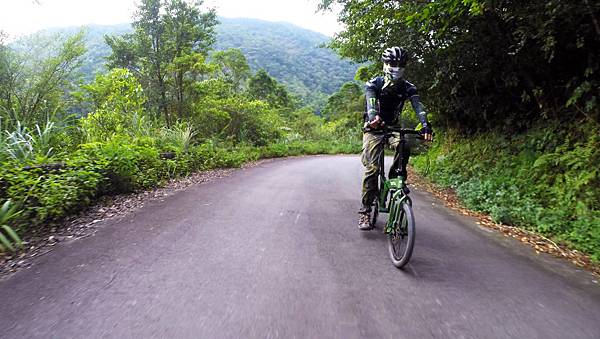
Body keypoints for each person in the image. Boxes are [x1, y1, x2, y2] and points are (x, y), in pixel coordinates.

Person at [358, 46, 433, 231]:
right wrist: (374, 117)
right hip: (373, 129)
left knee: (404, 144)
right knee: (372, 169)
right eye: (392, 63)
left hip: (393, 128)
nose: (396, 67)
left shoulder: (408, 87)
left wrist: (425, 125)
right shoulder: (374, 84)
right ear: (385, 64)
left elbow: (418, 106)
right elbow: (371, 103)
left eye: (400, 64)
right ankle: (365, 211)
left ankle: (396, 178)